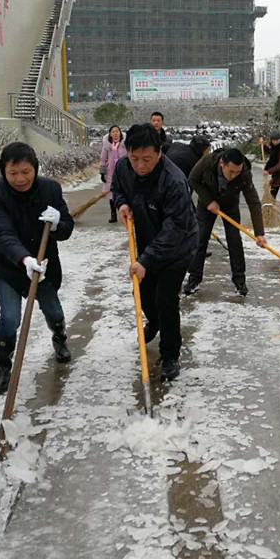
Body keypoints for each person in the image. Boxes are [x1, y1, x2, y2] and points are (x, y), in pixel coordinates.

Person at [0, 142, 75, 394]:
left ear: (35, 168)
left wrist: (58, 224)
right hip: (9, 267)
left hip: (44, 265)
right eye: (12, 173)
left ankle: (60, 340)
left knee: (54, 311)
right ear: (3, 171)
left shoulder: (50, 189)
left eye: (26, 171)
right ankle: (3, 367)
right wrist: (24, 259)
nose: (20, 178)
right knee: (10, 318)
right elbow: (2, 232)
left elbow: (67, 228)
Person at [111, 124, 198, 381]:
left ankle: (170, 354)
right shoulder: (124, 168)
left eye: (146, 159)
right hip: (148, 241)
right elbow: (118, 188)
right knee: (143, 292)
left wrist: (146, 260)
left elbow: (175, 228)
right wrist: (122, 203)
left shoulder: (173, 180)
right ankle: (156, 321)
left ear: (159, 152)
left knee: (165, 299)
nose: (140, 165)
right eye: (135, 158)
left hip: (178, 245)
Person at [185, 147, 267, 297]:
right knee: (200, 238)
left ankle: (239, 281)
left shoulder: (244, 174)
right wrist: (209, 201)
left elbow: (253, 201)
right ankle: (194, 278)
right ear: (222, 163)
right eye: (231, 172)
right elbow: (193, 180)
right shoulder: (207, 162)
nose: (234, 175)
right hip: (207, 203)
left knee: (234, 240)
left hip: (230, 204)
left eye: (237, 172)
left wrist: (259, 233)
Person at [99, 125, 126, 223]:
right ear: (110, 134)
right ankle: (113, 215)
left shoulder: (125, 143)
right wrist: (102, 172)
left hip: (123, 171)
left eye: (117, 131)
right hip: (111, 171)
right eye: (113, 132)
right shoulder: (107, 145)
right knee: (111, 194)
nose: (115, 133)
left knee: (125, 192)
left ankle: (125, 212)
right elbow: (103, 158)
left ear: (120, 132)